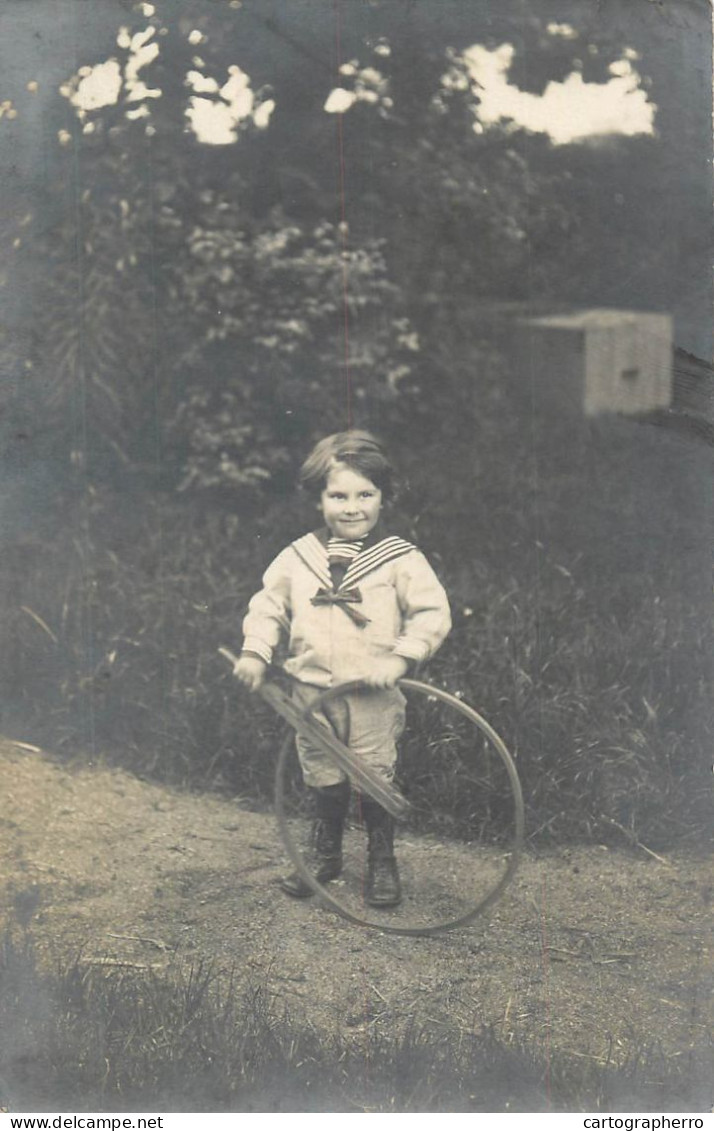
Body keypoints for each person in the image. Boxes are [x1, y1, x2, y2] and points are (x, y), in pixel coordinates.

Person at [233, 430, 451, 907]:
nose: (352, 508)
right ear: (319, 500)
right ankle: (325, 853)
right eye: (338, 496)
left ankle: (381, 859)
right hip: (310, 692)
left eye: (365, 495)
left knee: (373, 776)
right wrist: (255, 652)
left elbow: (433, 613)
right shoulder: (298, 558)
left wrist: (399, 657)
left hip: (369, 694)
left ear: (382, 497)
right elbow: (268, 606)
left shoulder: (400, 560)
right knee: (323, 773)